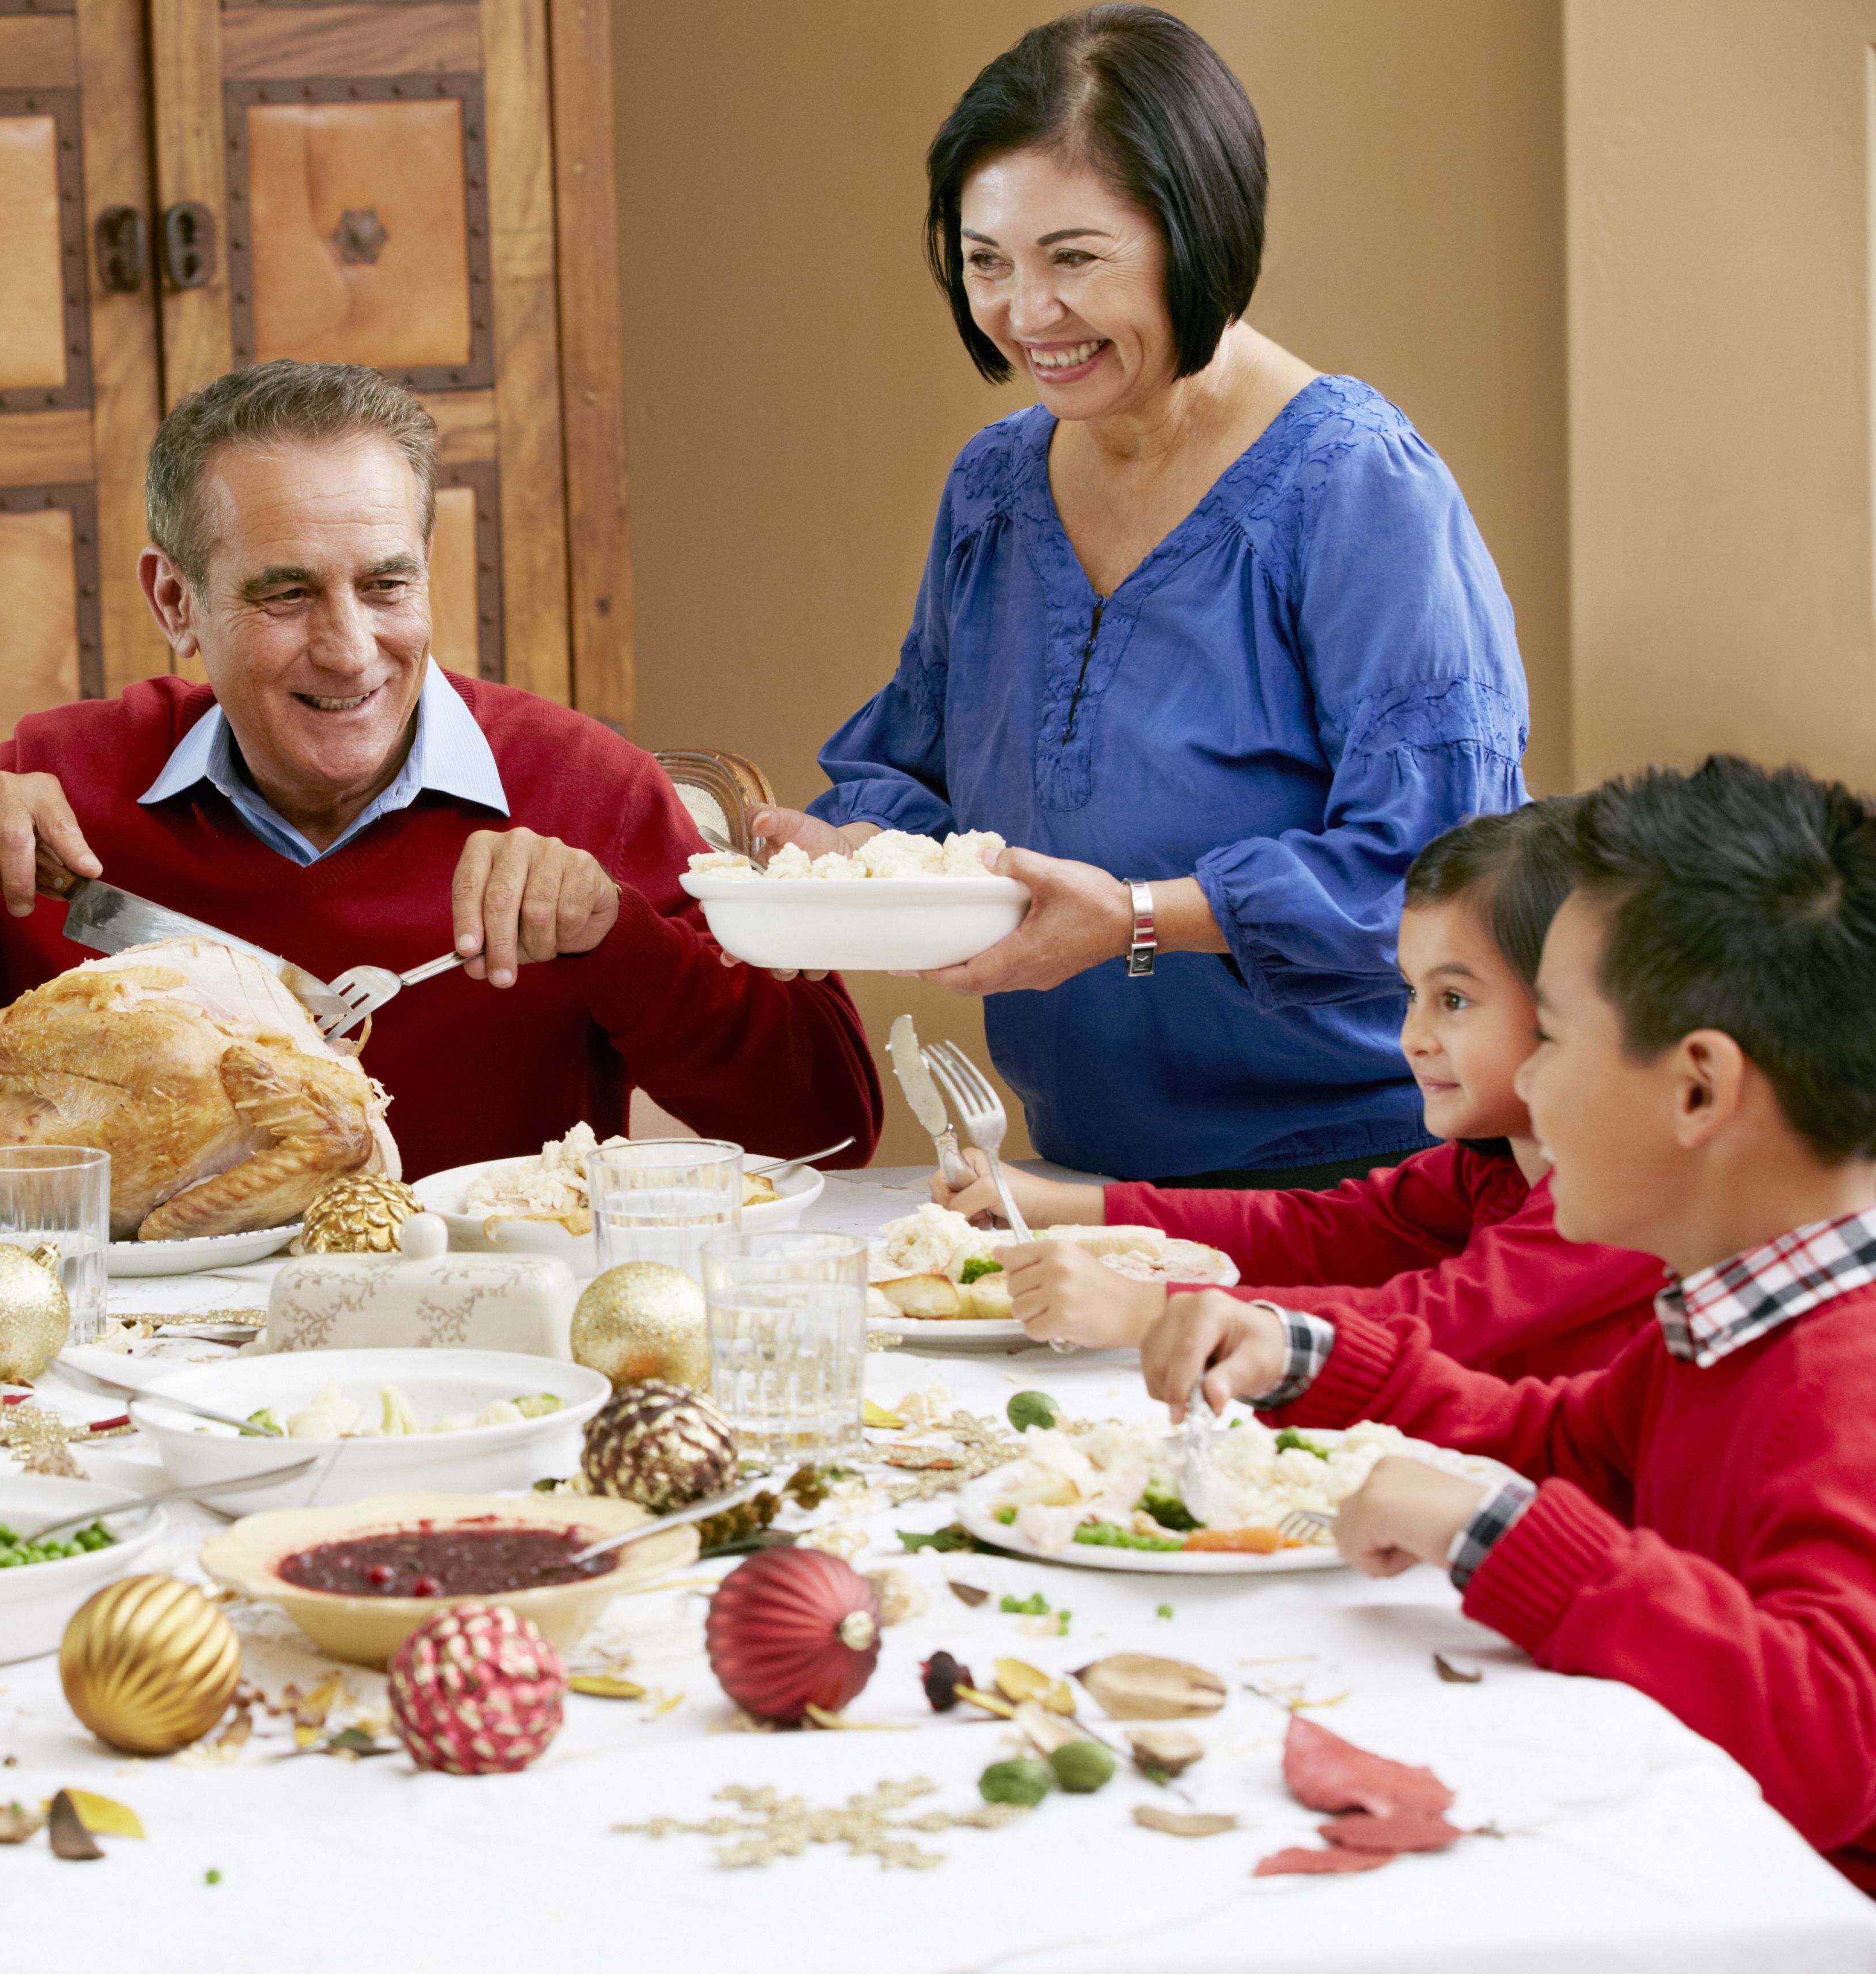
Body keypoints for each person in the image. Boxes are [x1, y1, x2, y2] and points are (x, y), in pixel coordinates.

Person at [0, 360, 882, 1174]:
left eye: (386, 585)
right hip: (129, 1377)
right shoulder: (69, 784)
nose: (349, 650)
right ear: (176, 601)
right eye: (286, 595)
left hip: (492, 1364)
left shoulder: (587, 790)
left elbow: (829, 1122)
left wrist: (618, 941)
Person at [759, 5, 1528, 1187]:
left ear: (1194, 232)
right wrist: (851, 854)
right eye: (985, 262)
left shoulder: (1353, 486)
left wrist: (1138, 916)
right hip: (1084, 1175)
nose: (1025, 313)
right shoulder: (994, 489)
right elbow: (919, 775)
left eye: (1074, 258)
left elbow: (1441, 880)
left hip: (1364, 1189)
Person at [1143, 756, 1876, 1890]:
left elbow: (1833, 1736)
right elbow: (1571, 1445)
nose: (1527, 1084)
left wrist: (1501, 1529)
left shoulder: (1846, 1376)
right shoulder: (1731, 1316)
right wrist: (1309, 1357)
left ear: (1697, 1090)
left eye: (1560, 1040)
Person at [949, 801, 1659, 1378]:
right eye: (1414, 994)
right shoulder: (1495, 1162)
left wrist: (1150, 1310)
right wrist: (1075, 1207)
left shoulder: (1621, 1200)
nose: (1413, 1035)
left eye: (1456, 1000)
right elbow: (1325, 1230)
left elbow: (1430, 1319)